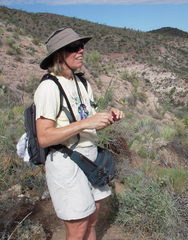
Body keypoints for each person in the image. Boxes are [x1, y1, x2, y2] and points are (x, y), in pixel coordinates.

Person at [34, 27, 124, 240]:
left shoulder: (82, 83)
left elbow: (88, 122)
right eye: (73, 47)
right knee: (77, 228)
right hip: (67, 162)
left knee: (92, 219)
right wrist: (86, 122)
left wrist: (107, 117)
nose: (81, 50)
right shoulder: (49, 87)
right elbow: (44, 137)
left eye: (81, 46)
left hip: (89, 158)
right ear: (59, 54)